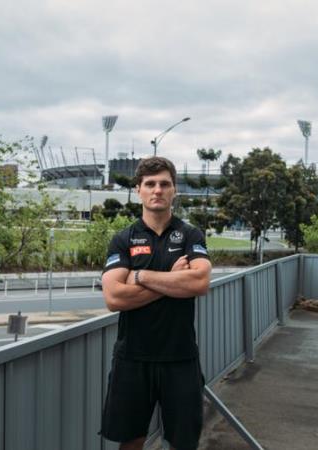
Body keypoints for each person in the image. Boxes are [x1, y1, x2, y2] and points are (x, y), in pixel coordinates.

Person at [100, 156, 212, 450]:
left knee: (183, 442)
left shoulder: (190, 235)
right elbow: (113, 298)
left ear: (174, 190)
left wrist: (141, 276)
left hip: (180, 357)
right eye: (150, 184)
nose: (157, 190)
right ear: (138, 189)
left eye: (165, 184)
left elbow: (200, 282)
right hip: (133, 358)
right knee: (131, 440)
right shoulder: (124, 239)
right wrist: (171, 281)